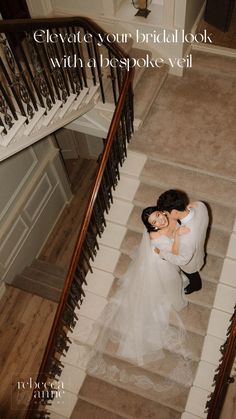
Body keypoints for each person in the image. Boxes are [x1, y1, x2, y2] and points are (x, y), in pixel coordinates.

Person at [85, 207, 194, 392]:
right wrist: (177, 235)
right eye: (154, 222)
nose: (159, 221)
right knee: (162, 291)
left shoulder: (166, 220)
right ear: (151, 227)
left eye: (159, 215)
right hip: (159, 265)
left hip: (161, 260)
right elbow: (173, 252)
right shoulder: (154, 237)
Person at [156, 189, 209, 295]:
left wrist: (161, 253)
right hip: (198, 246)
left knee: (192, 275)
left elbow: (181, 260)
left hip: (190, 264)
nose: (164, 216)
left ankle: (196, 286)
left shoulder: (186, 238)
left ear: (175, 212)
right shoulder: (200, 206)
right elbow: (195, 205)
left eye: (166, 213)